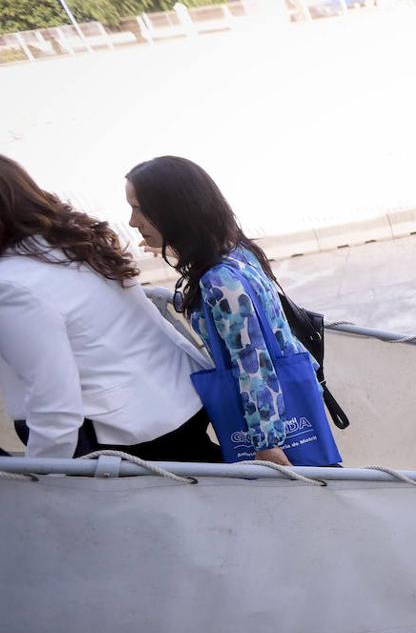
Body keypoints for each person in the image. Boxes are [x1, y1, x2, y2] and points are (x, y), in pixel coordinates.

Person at [125, 156, 340, 467]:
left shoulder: (218, 281)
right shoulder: (236, 249)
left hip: (270, 427)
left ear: (173, 209)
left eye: (138, 208)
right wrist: (172, 247)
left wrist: (267, 446)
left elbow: (253, 361)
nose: (133, 221)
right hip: (290, 409)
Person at [0, 155, 218, 461]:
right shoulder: (71, 241)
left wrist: (42, 481)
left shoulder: (11, 285)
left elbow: (57, 412)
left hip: (132, 431)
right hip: (180, 397)